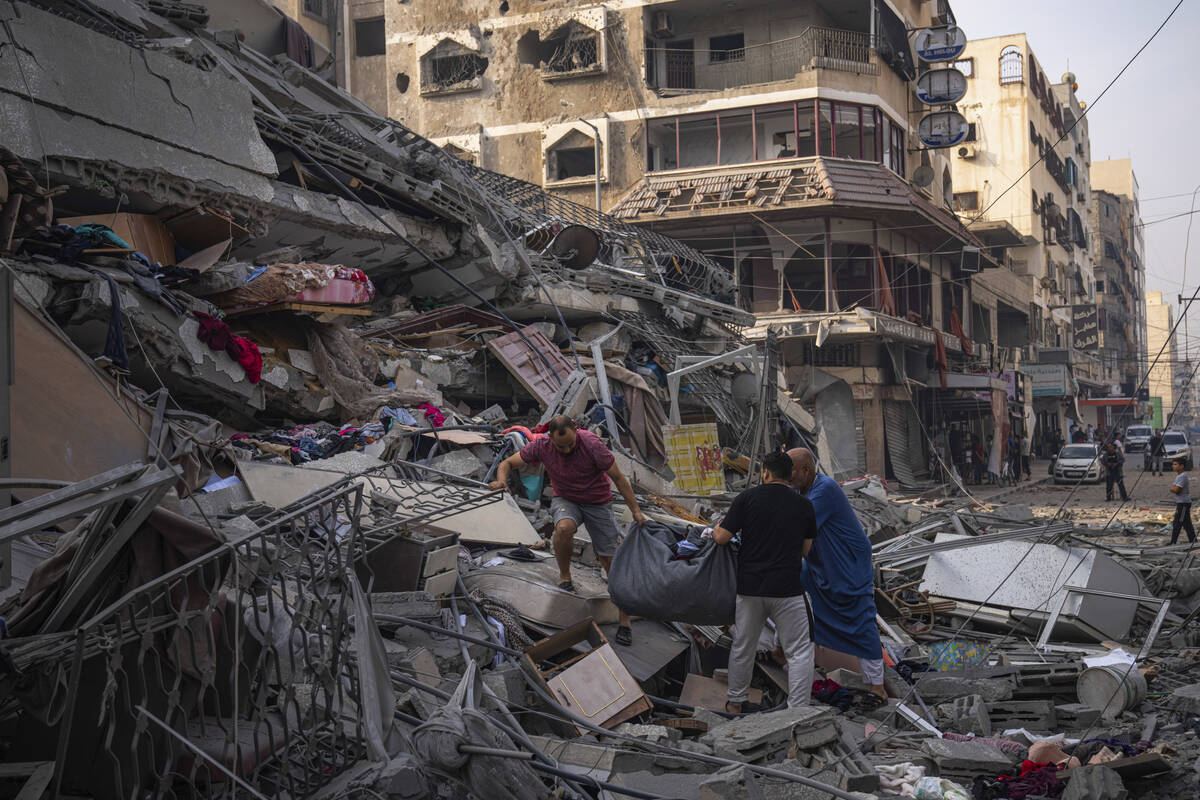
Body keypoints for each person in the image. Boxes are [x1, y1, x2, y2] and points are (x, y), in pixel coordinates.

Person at [490, 415, 646, 645]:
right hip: (566, 499)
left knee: (609, 560)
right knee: (563, 528)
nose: (566, 449)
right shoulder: (541, 445)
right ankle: (565, 577)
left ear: (576, 432)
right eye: (560, 446)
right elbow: (507, 463)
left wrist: (636, 511)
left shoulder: (592, 444)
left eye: (571, 444)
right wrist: (501, 480)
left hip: (598, 502)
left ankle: (624, 620)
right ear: (550, 438)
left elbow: (619, 479)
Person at [712, 451, 817, 713]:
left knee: (743, 646)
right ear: (790, 475)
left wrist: (715, 528)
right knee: (799, 651)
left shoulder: (746, 499)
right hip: (788, 590)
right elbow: (806, 551)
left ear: (766, 473)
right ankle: (798, 710)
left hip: (750, 589)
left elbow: (722, 538)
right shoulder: (804, 505)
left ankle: (735, 702)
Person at [788, 448, 888, 703]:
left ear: (806, 471)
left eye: (790, 472)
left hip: (847, 564)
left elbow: (797, 524)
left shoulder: (824, 490)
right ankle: (781, 649)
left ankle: (877, 686)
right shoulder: (802, 490)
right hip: (821, 564)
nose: (787, 478)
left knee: (861, 619)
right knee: (793, 598)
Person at [1170, 457, 1196, 545]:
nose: (1173, 466)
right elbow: (1174, 488)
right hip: (1182, 502)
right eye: (1173, 464)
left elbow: (1177, 489)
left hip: (1183, 503)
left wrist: (1173, 488)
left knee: (1178, 523)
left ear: (1182, 466)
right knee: (1186, 523)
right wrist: (1173, 488)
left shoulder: (1182, 476)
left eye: (1175, 464)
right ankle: (1193, 541)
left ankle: (1173, 542)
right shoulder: (1179, 476)